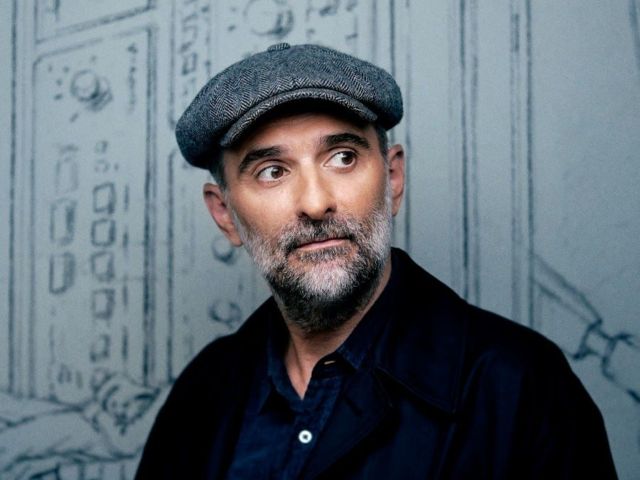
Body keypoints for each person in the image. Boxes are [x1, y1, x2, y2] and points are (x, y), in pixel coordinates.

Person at [136, 43, 617, 479]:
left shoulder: (520, 387)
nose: (315, 202)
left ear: (393, 179)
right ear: (225, 215)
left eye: (343, 158)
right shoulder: (201, 395)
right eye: (272, 171)